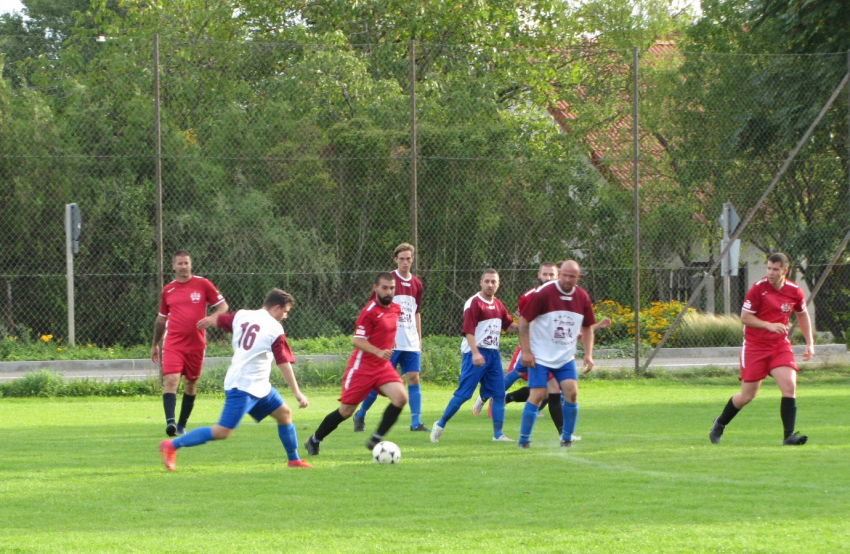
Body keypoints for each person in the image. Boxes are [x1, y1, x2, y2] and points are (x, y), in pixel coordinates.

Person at [158, 288, 311, 470]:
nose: (285, 316)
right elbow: (283, 363)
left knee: (284, 414)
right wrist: (297, 392)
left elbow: (219, 320)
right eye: (285, 312)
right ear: (277, 308)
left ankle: (294, 460)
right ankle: (171, 445)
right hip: (243, 386)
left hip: (260, 385)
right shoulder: (274, 328)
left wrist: (209, 320)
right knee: (222, 431)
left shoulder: (242, 315)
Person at [709, 252, 814, 446]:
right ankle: (720, 423)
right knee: (747, 396)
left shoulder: (794, 290)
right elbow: (745, 317)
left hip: (779, 345)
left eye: (775, 269)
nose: (771, 273)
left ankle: (788, 436)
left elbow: (802, 314)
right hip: (755, 347)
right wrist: (768, 325)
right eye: (769, 268)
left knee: (789, 386)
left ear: (785, 270)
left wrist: (810, 342)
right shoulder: (758, 289)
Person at [305, 272, 409, 455]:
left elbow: (387, 332)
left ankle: (376, 440)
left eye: (392, 288)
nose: (388, 291)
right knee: (346, 411)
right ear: (375, 288)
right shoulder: (368, 312)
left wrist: (389, 344)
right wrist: (378, 351)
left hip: (382, 367)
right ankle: (314, 440)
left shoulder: (395, 309)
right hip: (362, 368)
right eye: (384, 287)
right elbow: (357, 341)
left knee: (400, 398)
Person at [430, 269, 518, 443]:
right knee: (464, 394)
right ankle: (439, 425)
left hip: (493, 354)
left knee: (499, 394)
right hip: (475, 352)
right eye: (487, 281)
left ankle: (498, 434)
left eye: (494, 281)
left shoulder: (498, 304)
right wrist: (476, 353)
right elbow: (468, 331)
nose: (490, 285)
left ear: (498, 284)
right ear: (481, 282)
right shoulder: (474, 303)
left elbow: (510, 326)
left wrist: (528, 325)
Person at [516, 259, 597, 449]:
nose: (568, 279)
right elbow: (524, 320)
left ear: (578, 277)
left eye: (572, 276)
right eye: (565, 275)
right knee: (537, 395)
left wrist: (589, 354)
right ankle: (523, 440)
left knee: (572, 392)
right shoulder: (545, 293)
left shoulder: (582, 297)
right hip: (541, 355)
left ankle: (566, 438)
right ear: (559, 274)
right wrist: (526, 351)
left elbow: (587, 327)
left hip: (564, 357)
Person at [151, 250, 228, 437]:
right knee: (171, 380)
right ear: (173, 266)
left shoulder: (202, 284)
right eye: (179, 263)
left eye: (186, 263)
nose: (183, 267)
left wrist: (212, 317)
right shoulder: (168, 290)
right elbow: (161, 319)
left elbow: (223, 306)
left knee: (191, 384)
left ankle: (182, 424)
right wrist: (155, 343)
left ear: (191, 264)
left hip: (196, 344)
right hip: (173, 344)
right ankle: (170, 423)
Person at [354, 243, 428, 432]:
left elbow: (416, 312)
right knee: (380, 382)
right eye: (401, 258)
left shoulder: (417, 284)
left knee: (413, 377)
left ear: (412, 259)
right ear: (395, 259)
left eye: (408, 258)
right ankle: (360, 414)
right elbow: (373, 309)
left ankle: (416, 422)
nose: (405, 262)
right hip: (390, 342)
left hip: (410, 340)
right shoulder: (388, 281)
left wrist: (419, 337)